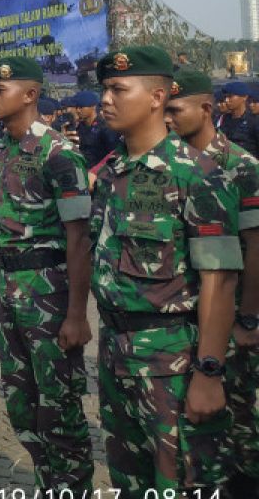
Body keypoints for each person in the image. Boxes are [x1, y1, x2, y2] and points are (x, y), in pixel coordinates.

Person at [92, 47, 242, 494]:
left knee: (182, 481)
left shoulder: (198, 176)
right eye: (104, 89)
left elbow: (220, 280)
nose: (106, 99)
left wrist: (209, 373)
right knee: (129, 480)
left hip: (173, 364)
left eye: (119, 89)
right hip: (116, 354)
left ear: (157, 97)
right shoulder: (112, 173)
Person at [0, 57, 94, 492]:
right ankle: (50, 482)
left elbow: (79, 238)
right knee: (21, 404)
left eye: (0, 91)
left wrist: (77, 315)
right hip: (10, 291)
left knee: (59, 408)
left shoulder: (59, 154)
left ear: (29, 95)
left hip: (49, 294)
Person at [165, 66, 259, 496]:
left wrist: (249, 318)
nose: (166, 118)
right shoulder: (169, 165)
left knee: (238, 416)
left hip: (233, 313)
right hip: (190, 317)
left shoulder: (240, 167)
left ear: (205, 109)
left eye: (175, 109)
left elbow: (255, 248)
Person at [219, 81, 259, 157]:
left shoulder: (254, 121)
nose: (226, 100)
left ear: (244, 97)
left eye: (230, 96)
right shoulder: (223, 119)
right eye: (225, 97)